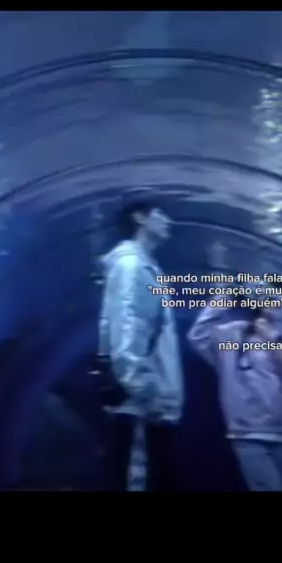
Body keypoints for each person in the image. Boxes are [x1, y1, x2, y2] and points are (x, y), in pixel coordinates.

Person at [187, 282, 282, 491]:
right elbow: (198, 334)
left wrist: (276, 307)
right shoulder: (233, 334)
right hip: (248, 435)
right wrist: (226, 296)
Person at [98, 195, 184, 491]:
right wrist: (146, 391)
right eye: (161, 213)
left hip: (147, 405)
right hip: (142, 407)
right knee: (140, 480)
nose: (168, 220)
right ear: (140, 217)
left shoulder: (144, 268)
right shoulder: (133, 267)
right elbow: (128, 328)